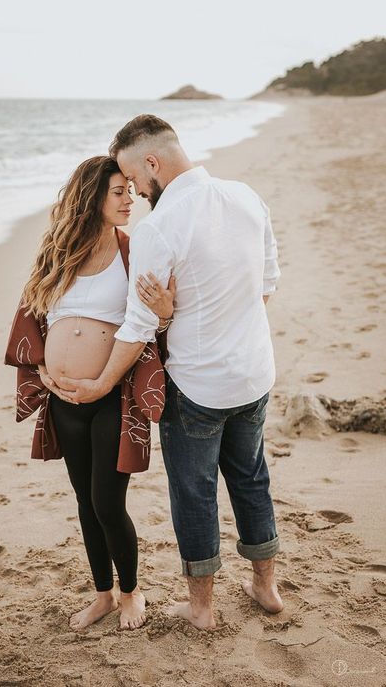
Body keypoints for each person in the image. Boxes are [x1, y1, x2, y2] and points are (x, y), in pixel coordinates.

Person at [59, 116, 284, 629]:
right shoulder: (246, 196)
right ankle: (265, 586)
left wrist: (100, 383)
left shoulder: (159, 228)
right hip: (253, 374)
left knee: (194, 490)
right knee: (251, 478)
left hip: (198, 384)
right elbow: (266, 283)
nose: (135, 192)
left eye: (134, 179)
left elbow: (137, 327)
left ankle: (202, 607)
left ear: (152, 163)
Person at [4, 155, 174, 631]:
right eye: (118, 191)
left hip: (112, 397)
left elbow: (151, 325)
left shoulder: (133, 251)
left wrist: (165, 314)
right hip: (63, 399)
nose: (130, 198)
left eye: (130, 190)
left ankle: (131, 592)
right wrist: (44, 370)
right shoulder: (57, 254)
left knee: (106, 502)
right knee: (84, 501)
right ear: (92, 197)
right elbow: (35, 317)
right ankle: (102, 594)